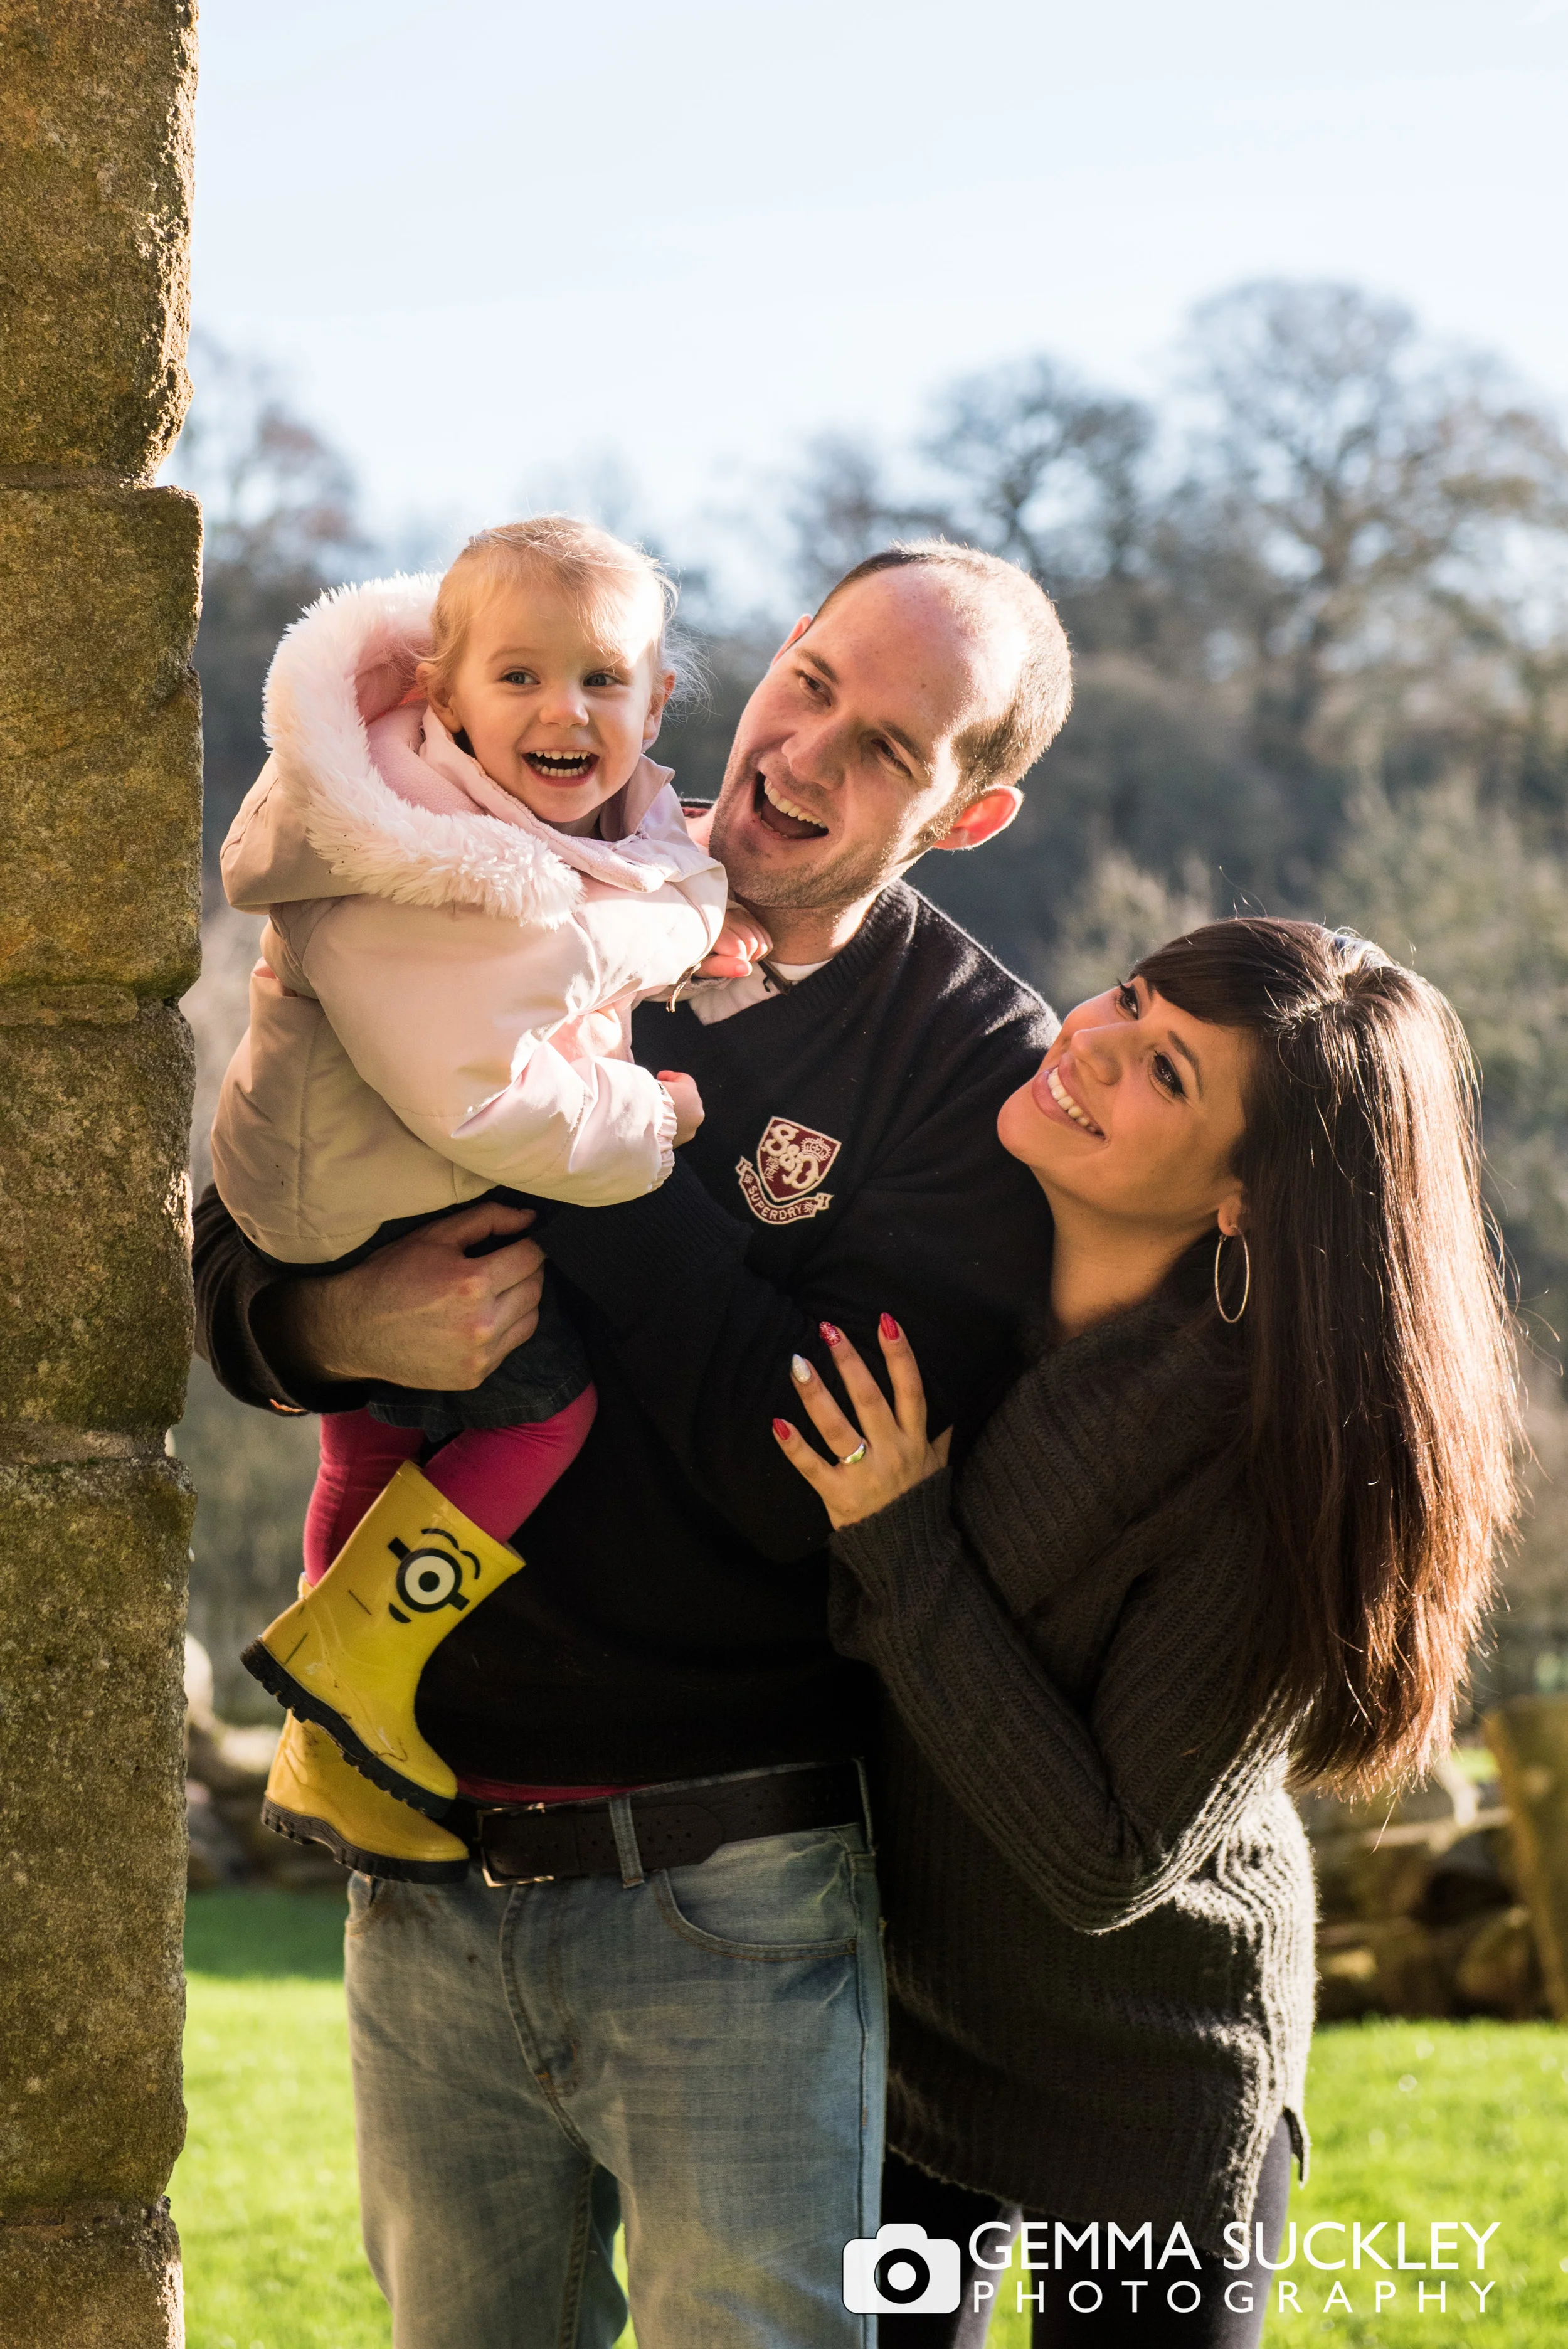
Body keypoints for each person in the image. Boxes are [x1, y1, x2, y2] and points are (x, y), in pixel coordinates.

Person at [193, 540, 1074, 2349]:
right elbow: (253, 1234)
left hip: (727, 1892)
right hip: (423, 1875)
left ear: (968, 816)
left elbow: (796, 1476)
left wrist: (571, 1138)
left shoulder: (970, 1063)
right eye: (812, 680)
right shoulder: (532, 842)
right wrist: (331, 1328)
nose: (807, 750)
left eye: (890, 747)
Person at [776, 917, 1518, 2349]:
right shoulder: (955, 1274)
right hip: (909, 2045)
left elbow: (1103, 1861)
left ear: (1247, 1197)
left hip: (1145, 2092)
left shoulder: (1271, 1470)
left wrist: (898, 1545)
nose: (1092, 1042)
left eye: (1165, 1071)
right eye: (1126, 995)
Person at [211, 517, 753, 1876]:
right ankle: (344, 1668)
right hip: (372, 1191)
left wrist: (679, 917)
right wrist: (652, 1119)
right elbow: (478, 1082)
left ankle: (336, 1704)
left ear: (657, 699)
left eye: (600, 680)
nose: (562, 711)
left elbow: (569, 940)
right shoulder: (429, 864)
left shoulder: (468, 808)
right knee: (533, 1413)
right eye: (517, 679)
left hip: (360, 1175)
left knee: (375, 1443)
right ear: (441, 693)